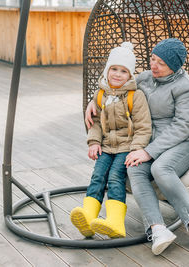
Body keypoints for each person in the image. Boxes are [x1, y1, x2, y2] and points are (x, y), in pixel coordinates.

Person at [85, 38, 189, 255]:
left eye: (161, 63)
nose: (153, 66)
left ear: (175, 67)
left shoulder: (187, 88)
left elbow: (182, 127)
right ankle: (157, 229)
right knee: (134, 168)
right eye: (153, 59)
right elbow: (116, 85)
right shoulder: (146, 77)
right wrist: (94, 101)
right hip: (149, 140)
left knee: (160, 168)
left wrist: (148, 151)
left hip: (181, 142)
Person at [71, 42, 151, 239]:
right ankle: (88, 218)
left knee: (115, 178)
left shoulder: (135, 96)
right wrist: (94, 142)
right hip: (106, 146)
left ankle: (116, 222)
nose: (117, 74)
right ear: (107, 70)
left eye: (123, 71)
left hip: (126, 147)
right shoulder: (100, 95)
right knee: (97, 176)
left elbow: (143, 126)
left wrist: (136, 148)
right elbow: (96, 122)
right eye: (113, 69)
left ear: (130, 75)